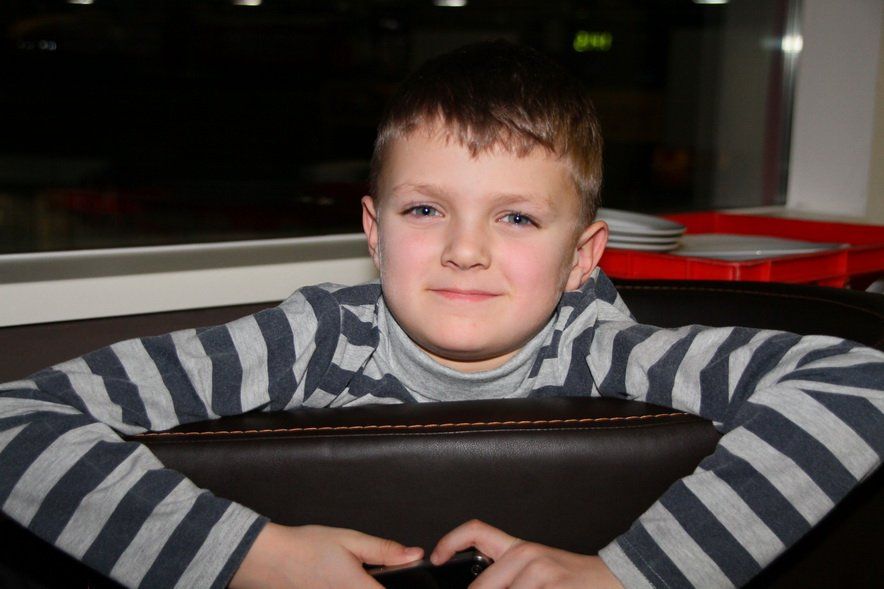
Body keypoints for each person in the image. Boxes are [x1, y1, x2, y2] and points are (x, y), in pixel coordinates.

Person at [0, 40, 881, 589]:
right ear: (373, 232)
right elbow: (14, 420)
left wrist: (631, 574)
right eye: (426, 209)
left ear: (583, 257)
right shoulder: (308, 339)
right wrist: (247, 554)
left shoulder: (605, 350)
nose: (465, 249)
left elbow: (861, 379)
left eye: (518, 218)